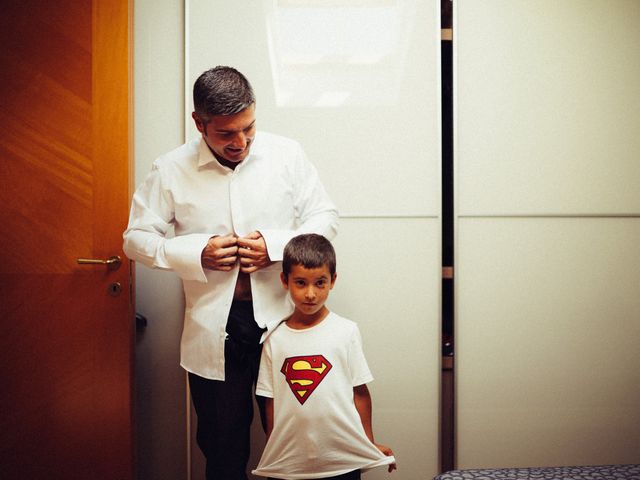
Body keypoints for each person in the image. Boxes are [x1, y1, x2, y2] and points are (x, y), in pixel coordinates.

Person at [123, 66, 338, 480]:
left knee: (300, 442)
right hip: (214, 333)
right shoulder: (170, 169)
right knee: (223, 450)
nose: (240, 142)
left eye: (249, 128)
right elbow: (135, 239)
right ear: (199, 123)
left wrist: (277, 246)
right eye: (226, 134)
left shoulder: (286, 154)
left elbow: (325, 216)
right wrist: (195, 252)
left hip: (285, 323)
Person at [252, 234, 396, 480]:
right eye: (300, 283)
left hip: (340, 462)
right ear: (284, 280)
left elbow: (360, 392)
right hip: (291, 466)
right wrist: (274, 451)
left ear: (333, 281)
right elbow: (270, 402)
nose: (310, 294)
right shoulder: (273, 339)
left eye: (320, 283)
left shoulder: (346, 331)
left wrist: (367, 443)